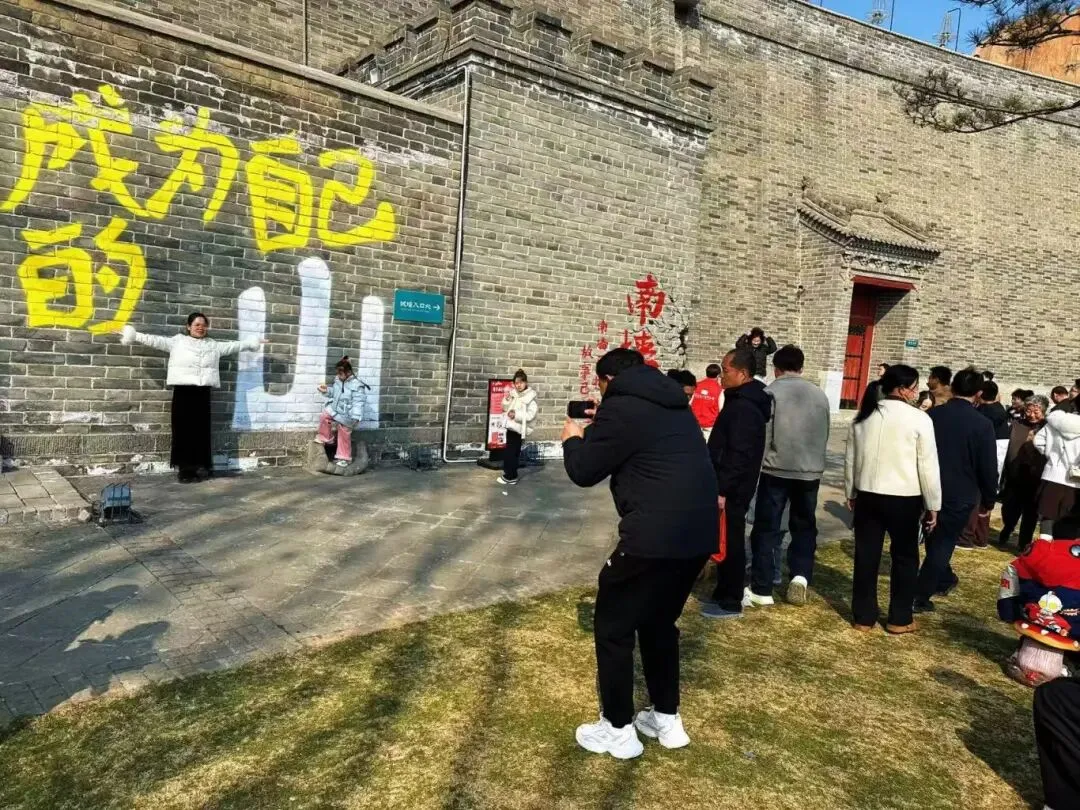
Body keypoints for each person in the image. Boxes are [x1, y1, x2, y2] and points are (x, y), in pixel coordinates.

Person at [561, 348, 717, 759]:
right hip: (698, 535)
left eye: (600, 384)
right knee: (658, 624)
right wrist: (601, 426)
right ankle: (666, 719)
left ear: (608, 380)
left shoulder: (622, 408)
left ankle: (617, 729)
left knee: (613, 627)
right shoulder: (675, 405)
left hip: (652, 538)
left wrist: (573, 438)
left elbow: (584, 470)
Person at [845, 365, 941, 634]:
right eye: (914, 387)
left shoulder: (864, 417)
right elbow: (928, 465)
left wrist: (851, 491)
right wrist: (933, 504)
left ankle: (863, 616)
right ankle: (899, 617)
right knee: (905, 557)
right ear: (902, 389)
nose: (916, 392)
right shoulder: (919, 419)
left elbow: (851, 460)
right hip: (904, 497)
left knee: (866, 556)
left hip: (868, 494)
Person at [120, 313, 262, 482]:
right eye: (196, 325)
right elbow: (155, 340)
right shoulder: (178, 342)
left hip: (203, 393)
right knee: (183, 431)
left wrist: (251, 343)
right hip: (183, 392)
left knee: (201, 431)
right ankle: (186, 470)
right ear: (188, 327)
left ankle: (201, 465)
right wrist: (134, 335)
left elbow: (233, 346)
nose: (200, 328)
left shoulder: (213, 345)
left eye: (203, 325)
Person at [747, 345, 830, 608]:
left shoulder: (771, 393)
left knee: (767, 527)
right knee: (804, 525)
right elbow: (825, 431)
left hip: (776, 469)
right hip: (810, 470)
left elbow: (764, 435)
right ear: (802, 367)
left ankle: (762, 587)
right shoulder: (819, 394)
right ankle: (800, 576)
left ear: (776, 368)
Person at [914, 368, 998, 613]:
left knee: (934, 538)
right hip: (960, 491)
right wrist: (989, 499)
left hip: (926, 486)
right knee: (942, 543)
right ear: (978, 393)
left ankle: (943, 577)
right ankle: (920, 595)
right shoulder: (982, 424)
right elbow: (987, 466)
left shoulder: (933, 416)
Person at [702, 347, 773, 619]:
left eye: (726, 370)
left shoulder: (745, 407)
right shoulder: (738, 400)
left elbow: (738, 454)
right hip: (728, 484)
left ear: (743, 373)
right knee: (724, 538)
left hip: (733, 488)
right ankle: (723, 590)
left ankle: (731, 600)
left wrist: (723, 488)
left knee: (730, 541)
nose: (722, 375)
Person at [959, 380, 1013, 549]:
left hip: (983, 460)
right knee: (985, 499)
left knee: (976, 499)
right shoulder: (1000, 411)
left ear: (980, 393)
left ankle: (967, 537)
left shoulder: (982, 414)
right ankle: (981, 538)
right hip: (996, 462)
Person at [999, 395, 1050, 550]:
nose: (1032, 415)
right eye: (1029, 411)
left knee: (1030, 513)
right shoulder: (1016, 425)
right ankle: (1007, 530)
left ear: (1044, 411)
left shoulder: (1048, 428)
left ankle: (1023, 543)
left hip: (1036, 477)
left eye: (1036, 412)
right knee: (1009, 508)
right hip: (1015, 474)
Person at [1034, 405, 1080, 538]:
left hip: (1052, 475)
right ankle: (1062, 549)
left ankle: (1045, 546)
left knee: (1047, 515)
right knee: (1069, 520)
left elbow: (1038, 441)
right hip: (1076, 481)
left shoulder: (1055, 421)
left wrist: (1050, 455)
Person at [315, 356, 366, 467]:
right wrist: (326, 390)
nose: (338, 376)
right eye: (337, 373)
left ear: (348, 373)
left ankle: (344, 458)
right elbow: (334, 393)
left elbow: (359, 402)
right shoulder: (338, 380)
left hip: (348, 415)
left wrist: (356, 416)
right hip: (335, 409)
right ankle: (326, 437)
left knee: (344, 432)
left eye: (341, 374)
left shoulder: (357, 385)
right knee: (324, 416)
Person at [498, 369, 538, 486]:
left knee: (511, 452)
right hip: (511, 427)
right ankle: (512, 475)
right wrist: (507, 400)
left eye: (521, 382)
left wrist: (516, 414)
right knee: (511, 452)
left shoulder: (530, 397)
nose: (518, 385)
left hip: (519, 428)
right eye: (516, 383)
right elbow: (505, 408)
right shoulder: (514, 394)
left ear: (526, 383)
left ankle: (510, 476)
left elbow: (530, 415)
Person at [690, 363, 724, 438]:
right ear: (718, 375)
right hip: (710, 425)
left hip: (694, 423)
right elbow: (722, 409)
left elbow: (689, 403)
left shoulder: (696, 385)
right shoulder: (720, 390)